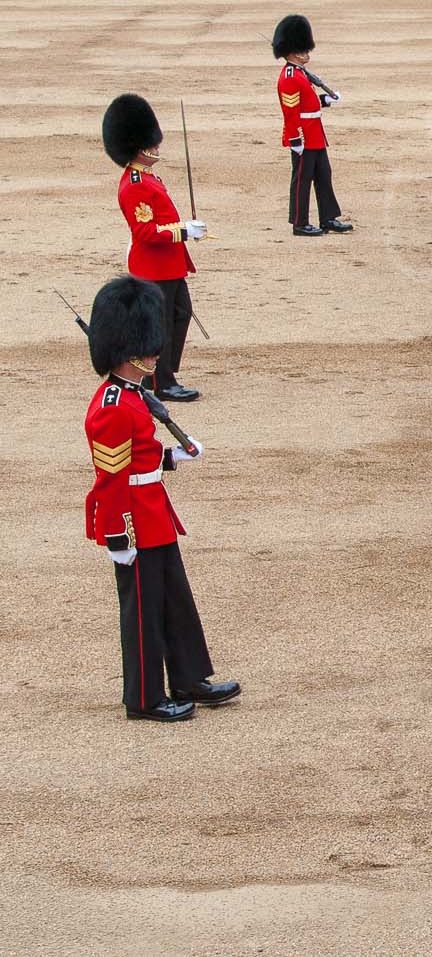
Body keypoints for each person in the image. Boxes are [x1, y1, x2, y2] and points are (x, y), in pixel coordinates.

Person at [84, 275, 239, 721]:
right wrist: (119, 536)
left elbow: (140, 458)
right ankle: (145, 697)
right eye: (149, 347)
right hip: (133, 518)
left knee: (174, 599)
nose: (156, 353)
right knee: (143, 613)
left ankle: (189, 677)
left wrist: (172, 457)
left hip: (154, 511)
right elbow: (111, 480)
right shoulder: (113, 406)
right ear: (126, 347)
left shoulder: (133, 395)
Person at [102, 94, 203, 403]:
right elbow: (145, 231)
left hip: (167, 263)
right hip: (153, 265)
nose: (157, 146)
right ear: (138, 145)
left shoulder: (147, 177)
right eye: (152, 142)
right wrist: (184, 230)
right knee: (161, 324)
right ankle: (163, 382)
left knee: (180, 314)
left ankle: (160, 374)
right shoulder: (135, 184)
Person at [273, 14, 353, 236]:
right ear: (291, 51)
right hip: (303, 137)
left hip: (315, 134)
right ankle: (300, 222)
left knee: (323, 175)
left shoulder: (299, 74)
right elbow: (291, 113)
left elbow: (307, 103)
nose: (306, 54)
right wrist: (295, 139)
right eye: (303, 50)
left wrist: (326, 100)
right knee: (302, 181)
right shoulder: (290, 76)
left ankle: (328, 217)